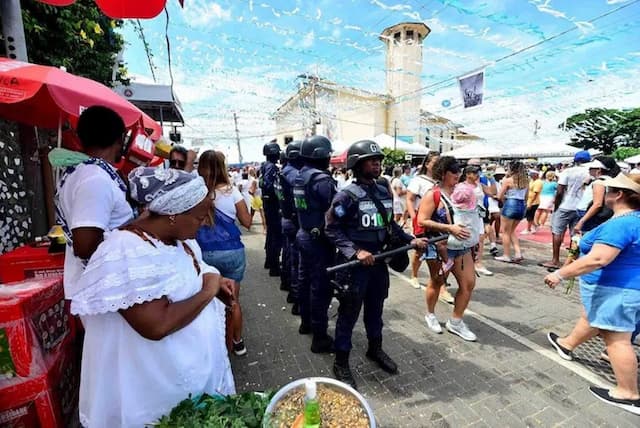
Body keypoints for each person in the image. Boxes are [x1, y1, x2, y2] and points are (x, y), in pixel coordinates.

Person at [69, 167, 236, 427]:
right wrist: (207, 291)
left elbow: (192, 273)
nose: (204, 223)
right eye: (200, 216)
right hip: (152, 389)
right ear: (173, 214)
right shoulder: (124, 250)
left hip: (187, 379)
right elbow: (156, 325)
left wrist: (216, 281)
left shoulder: (182, 240)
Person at [326, 140, 426, 389]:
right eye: (372, 160)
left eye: (378, 160)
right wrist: (355, 251)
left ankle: (375, 349)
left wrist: (411, 240)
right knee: (348, 314)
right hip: (354, 269)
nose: (377, 163)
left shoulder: (383, 191)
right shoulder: (345, 196)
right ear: (358, 165)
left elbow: (389, 225)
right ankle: (341, 361)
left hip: (378, 265)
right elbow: (332, 228)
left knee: (375, 310)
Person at [544, 173, 640, 415]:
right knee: (593, 318)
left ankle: (628, 393)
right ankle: (567, 344)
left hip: (617, 289)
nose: (604, 193)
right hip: (621, 288)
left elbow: (598, 258)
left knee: (617, 339)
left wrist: (560, 274)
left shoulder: (623, 223)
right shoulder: (633, 219)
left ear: (619, 195)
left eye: (609, 190)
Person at [54, 105, 135, 298]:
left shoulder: (89, 173)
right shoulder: (95, 179)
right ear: (120, 140)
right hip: (103, 289)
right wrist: (140, 227)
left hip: (104, 285)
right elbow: (85, 245)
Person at [196, 150, 252, 356]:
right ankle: (238, 343)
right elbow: (247, 223)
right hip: (232, 253)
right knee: (233, 301)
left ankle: (213, 344)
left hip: (204, 254)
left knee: (205, 300)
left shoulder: (196, 193)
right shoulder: (232, 192)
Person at [417, 156, 479, 342]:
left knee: (468, 283)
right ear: (443, 173)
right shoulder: (433, 194)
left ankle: (456, 321)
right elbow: (422, 220)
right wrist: (449, 228)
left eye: (459, 172)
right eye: (454, 172)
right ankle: (430, 314)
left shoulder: (461, 192)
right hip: (439, 246)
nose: (458, 175)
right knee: (437, 282)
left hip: (462, 246)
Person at [294, 135, 336, 354]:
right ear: (321, 155)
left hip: (303, 234)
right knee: (321, 287)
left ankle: (306, 323)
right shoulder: (321, 180)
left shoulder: (300, 176)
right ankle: (320, 337)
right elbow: (335, 210)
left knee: (304, 280)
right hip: (318, 240)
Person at [540, 151, 591, 270]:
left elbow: (560, 191)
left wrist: (556, 206)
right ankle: (573, 261)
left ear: (576, 160)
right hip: (582, 206)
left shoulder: (568, 171)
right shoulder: (590, 172)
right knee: (576, 235)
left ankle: (555, 260)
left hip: (565, 205)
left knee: (557, 232)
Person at [406, 152, 443, 292]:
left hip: (438, 220)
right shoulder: (418, 180)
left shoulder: (442, 180)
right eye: (435, 162)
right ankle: (414, 275)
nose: (438, 165)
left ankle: (439, 283)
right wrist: (414, 218)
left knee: (440, 249)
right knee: (420, 250)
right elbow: (410, 199)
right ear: (427, 164)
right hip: (422, 219)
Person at [276, 141, 303, 314]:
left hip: (286, 219)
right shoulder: (293, 174)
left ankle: (290, 289)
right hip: (294, 221)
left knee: (289, 257)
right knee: (297, 263)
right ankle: (296, 296)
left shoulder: (283, 171)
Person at [574, 157, 620, 234]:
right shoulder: (611, 181)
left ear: (599, 170)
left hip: (591, 216)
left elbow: (597, 204)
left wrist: (581, 222)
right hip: (602, 216)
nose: (589, 169)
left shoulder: (599, 182)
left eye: (591, 167)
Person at [495, 161, 529, 263]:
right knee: (512, 231)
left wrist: (500, 198)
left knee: (505, 232)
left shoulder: (508, 180)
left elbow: (499, 196)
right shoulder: (526, 181)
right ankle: (518, 253)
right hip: (521, 205)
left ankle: (506, 255)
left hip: (510, 203)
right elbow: (526, 197)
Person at [260, 141, 283, 276]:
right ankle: (274, 266)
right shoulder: (272, 168)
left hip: (267, 203)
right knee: (275, 235)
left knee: (271, 234)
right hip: (273, 204)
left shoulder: (264, 166)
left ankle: (269, 260)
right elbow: (270, 185)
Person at [522, 170, 543, 234]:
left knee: (529, 215)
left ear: (536, 175)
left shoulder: (538, 182)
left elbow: (535, 193)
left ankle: (528, 229)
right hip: (528, 200)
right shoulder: (531, 181)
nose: (530, 175)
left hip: (534, 202)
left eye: (531, 174)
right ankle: (535, 226)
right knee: (529, 215)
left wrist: (530, 203)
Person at [247, 167, 266, 232]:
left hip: (255, 198)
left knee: (252, 214)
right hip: (260, 197)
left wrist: (249, 191)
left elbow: (252, 191)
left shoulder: (254, 181)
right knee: (262, 215)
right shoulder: (260, 180)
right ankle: (265, 229)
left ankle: (248, 226)